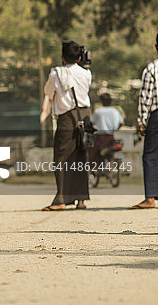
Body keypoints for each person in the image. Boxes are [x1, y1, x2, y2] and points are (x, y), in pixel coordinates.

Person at [42, 40, 92, 211]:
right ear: (79, 57)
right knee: (80, 157)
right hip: (85, 117)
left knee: (62, 158)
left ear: (62, 57)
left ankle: (61, 199)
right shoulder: (87, 73)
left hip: (67, 118)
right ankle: (81, 200)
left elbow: (48, 92)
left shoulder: (56, 74)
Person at [131, 35, 158, 209]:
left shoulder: (152, 69)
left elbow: (145, 98)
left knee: (151, 155)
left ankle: (150, 198)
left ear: (156, 47)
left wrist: (142, 120)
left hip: (156, 115)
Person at [88, 93, 124, 165]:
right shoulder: (115, 111)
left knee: (91, 153)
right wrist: (115, 129)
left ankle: (93, 170)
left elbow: (91, 123)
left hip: (100, 138)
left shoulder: (98, 111)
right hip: (111, 137)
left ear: (101, 101)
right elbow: (122, 123)